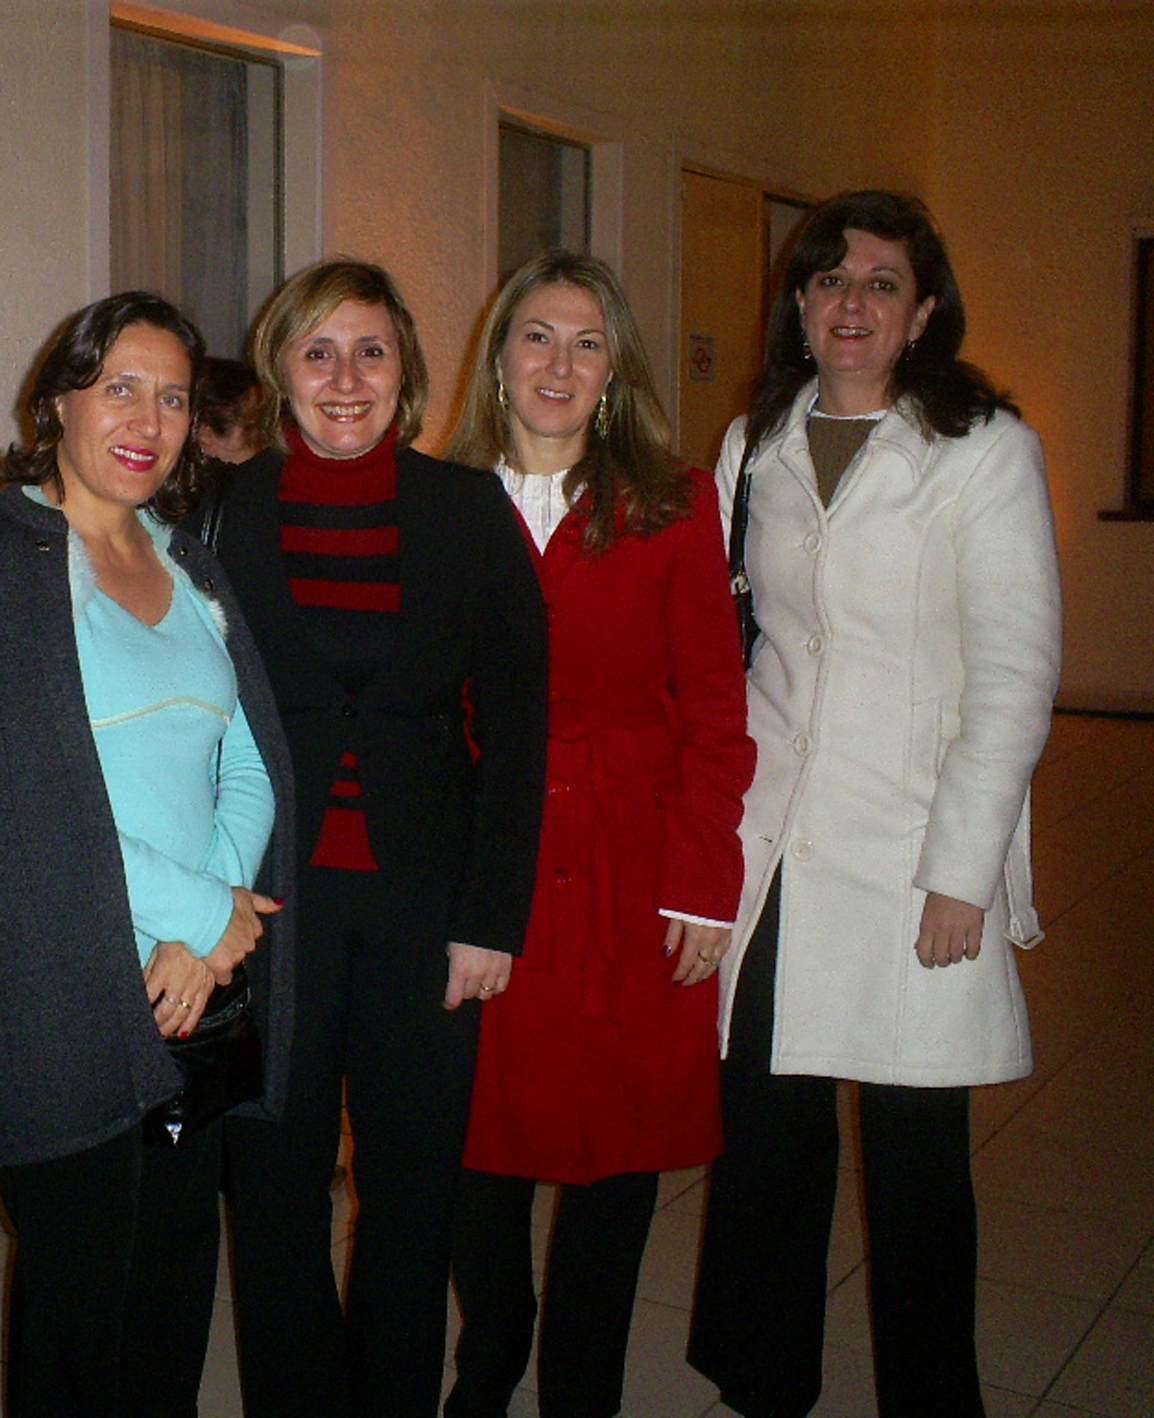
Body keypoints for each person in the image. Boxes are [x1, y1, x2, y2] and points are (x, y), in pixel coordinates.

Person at [686, 190, 1061, 1418]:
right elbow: (728, 643)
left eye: (881, 283)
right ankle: (763, 1383)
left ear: (924, 310)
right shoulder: (756, 441)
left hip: (913, 848)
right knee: (765, 1135)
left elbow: (1014, 674)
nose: (851, 303)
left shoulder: (983, 447)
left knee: (914, 1165)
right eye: (829, 280)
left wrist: (964, 868)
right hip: (777, 844)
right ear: (799, 304)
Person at [0, 290, 296, 1417]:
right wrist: (203, 915)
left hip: (195, 987)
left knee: (175, 1277)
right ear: (58, 402)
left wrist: (213, 929)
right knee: (80, 1301)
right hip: (65, 986)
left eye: (173, 398)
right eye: (119, 387)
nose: (148, 419)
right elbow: (18, 803)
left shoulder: (189, 559)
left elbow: (250, 755)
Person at [202, 258, 549, 1418]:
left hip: (425, 908)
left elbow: (520, 726)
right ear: (280, 370)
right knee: (273, 1185)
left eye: (370, 351)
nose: (344, 378)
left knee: (411, 1191)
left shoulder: (468, 510)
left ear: (407, 370)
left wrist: (492, 917)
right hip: (267, 909)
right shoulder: (224, 511)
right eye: (318, 352)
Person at [440, 250, 754, 1418]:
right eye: (537, 335)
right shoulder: (443, 501)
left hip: (632, 858)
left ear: (614, 368)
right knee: (477, 1141)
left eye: (586, 341)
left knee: (617, 1149)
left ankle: (584, 1386)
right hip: (488, 861)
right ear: (500, 358)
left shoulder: (674, 501)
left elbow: (716, 706)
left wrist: (704, 880)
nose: (559, 363)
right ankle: (492, 1353)